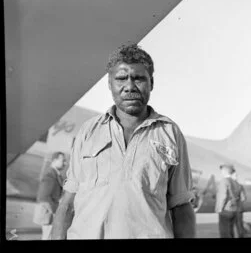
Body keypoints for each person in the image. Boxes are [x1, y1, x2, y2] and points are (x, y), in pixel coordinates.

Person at [51, 44, 196, 239]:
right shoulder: (89, 131)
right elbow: (68, 204)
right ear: (110, 84)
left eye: (138, 79)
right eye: (121, 79)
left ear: (151, 83)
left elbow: (181, 207)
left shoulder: (169, 132)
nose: (129, 87)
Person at [33, 151, 66, 240]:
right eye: (63, 160)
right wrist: (56, 212)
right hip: (49, 215)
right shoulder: (50, 175)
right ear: (55, 160)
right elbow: (43, 197)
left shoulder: (55, 174)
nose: (65, 163)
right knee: (47, 237)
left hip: (50, 214)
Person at [215, 163, 245, 238]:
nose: (221, 172)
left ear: (225, 171)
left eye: (222, 170)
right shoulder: (237, 183)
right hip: (234, 210)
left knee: (225, 233)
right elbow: (243, 198)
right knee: (230, 232)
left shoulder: (224, 181)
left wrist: (219, 209)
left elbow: (223, 196)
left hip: (225, 210)